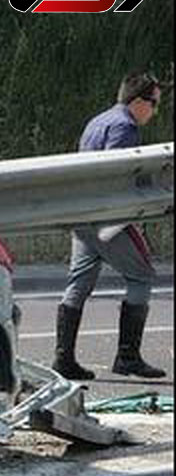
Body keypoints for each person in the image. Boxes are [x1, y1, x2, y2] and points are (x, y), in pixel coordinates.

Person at [52, 71, 165, 380]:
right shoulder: (124, 127)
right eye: (154, 104)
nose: (155, 111)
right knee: (141, 275)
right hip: (107, 220)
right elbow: (116, 172)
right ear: (139, 101)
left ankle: (63, 359)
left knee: (80, 283)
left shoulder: (98, 121)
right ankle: (127, 358)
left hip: (82, 215)